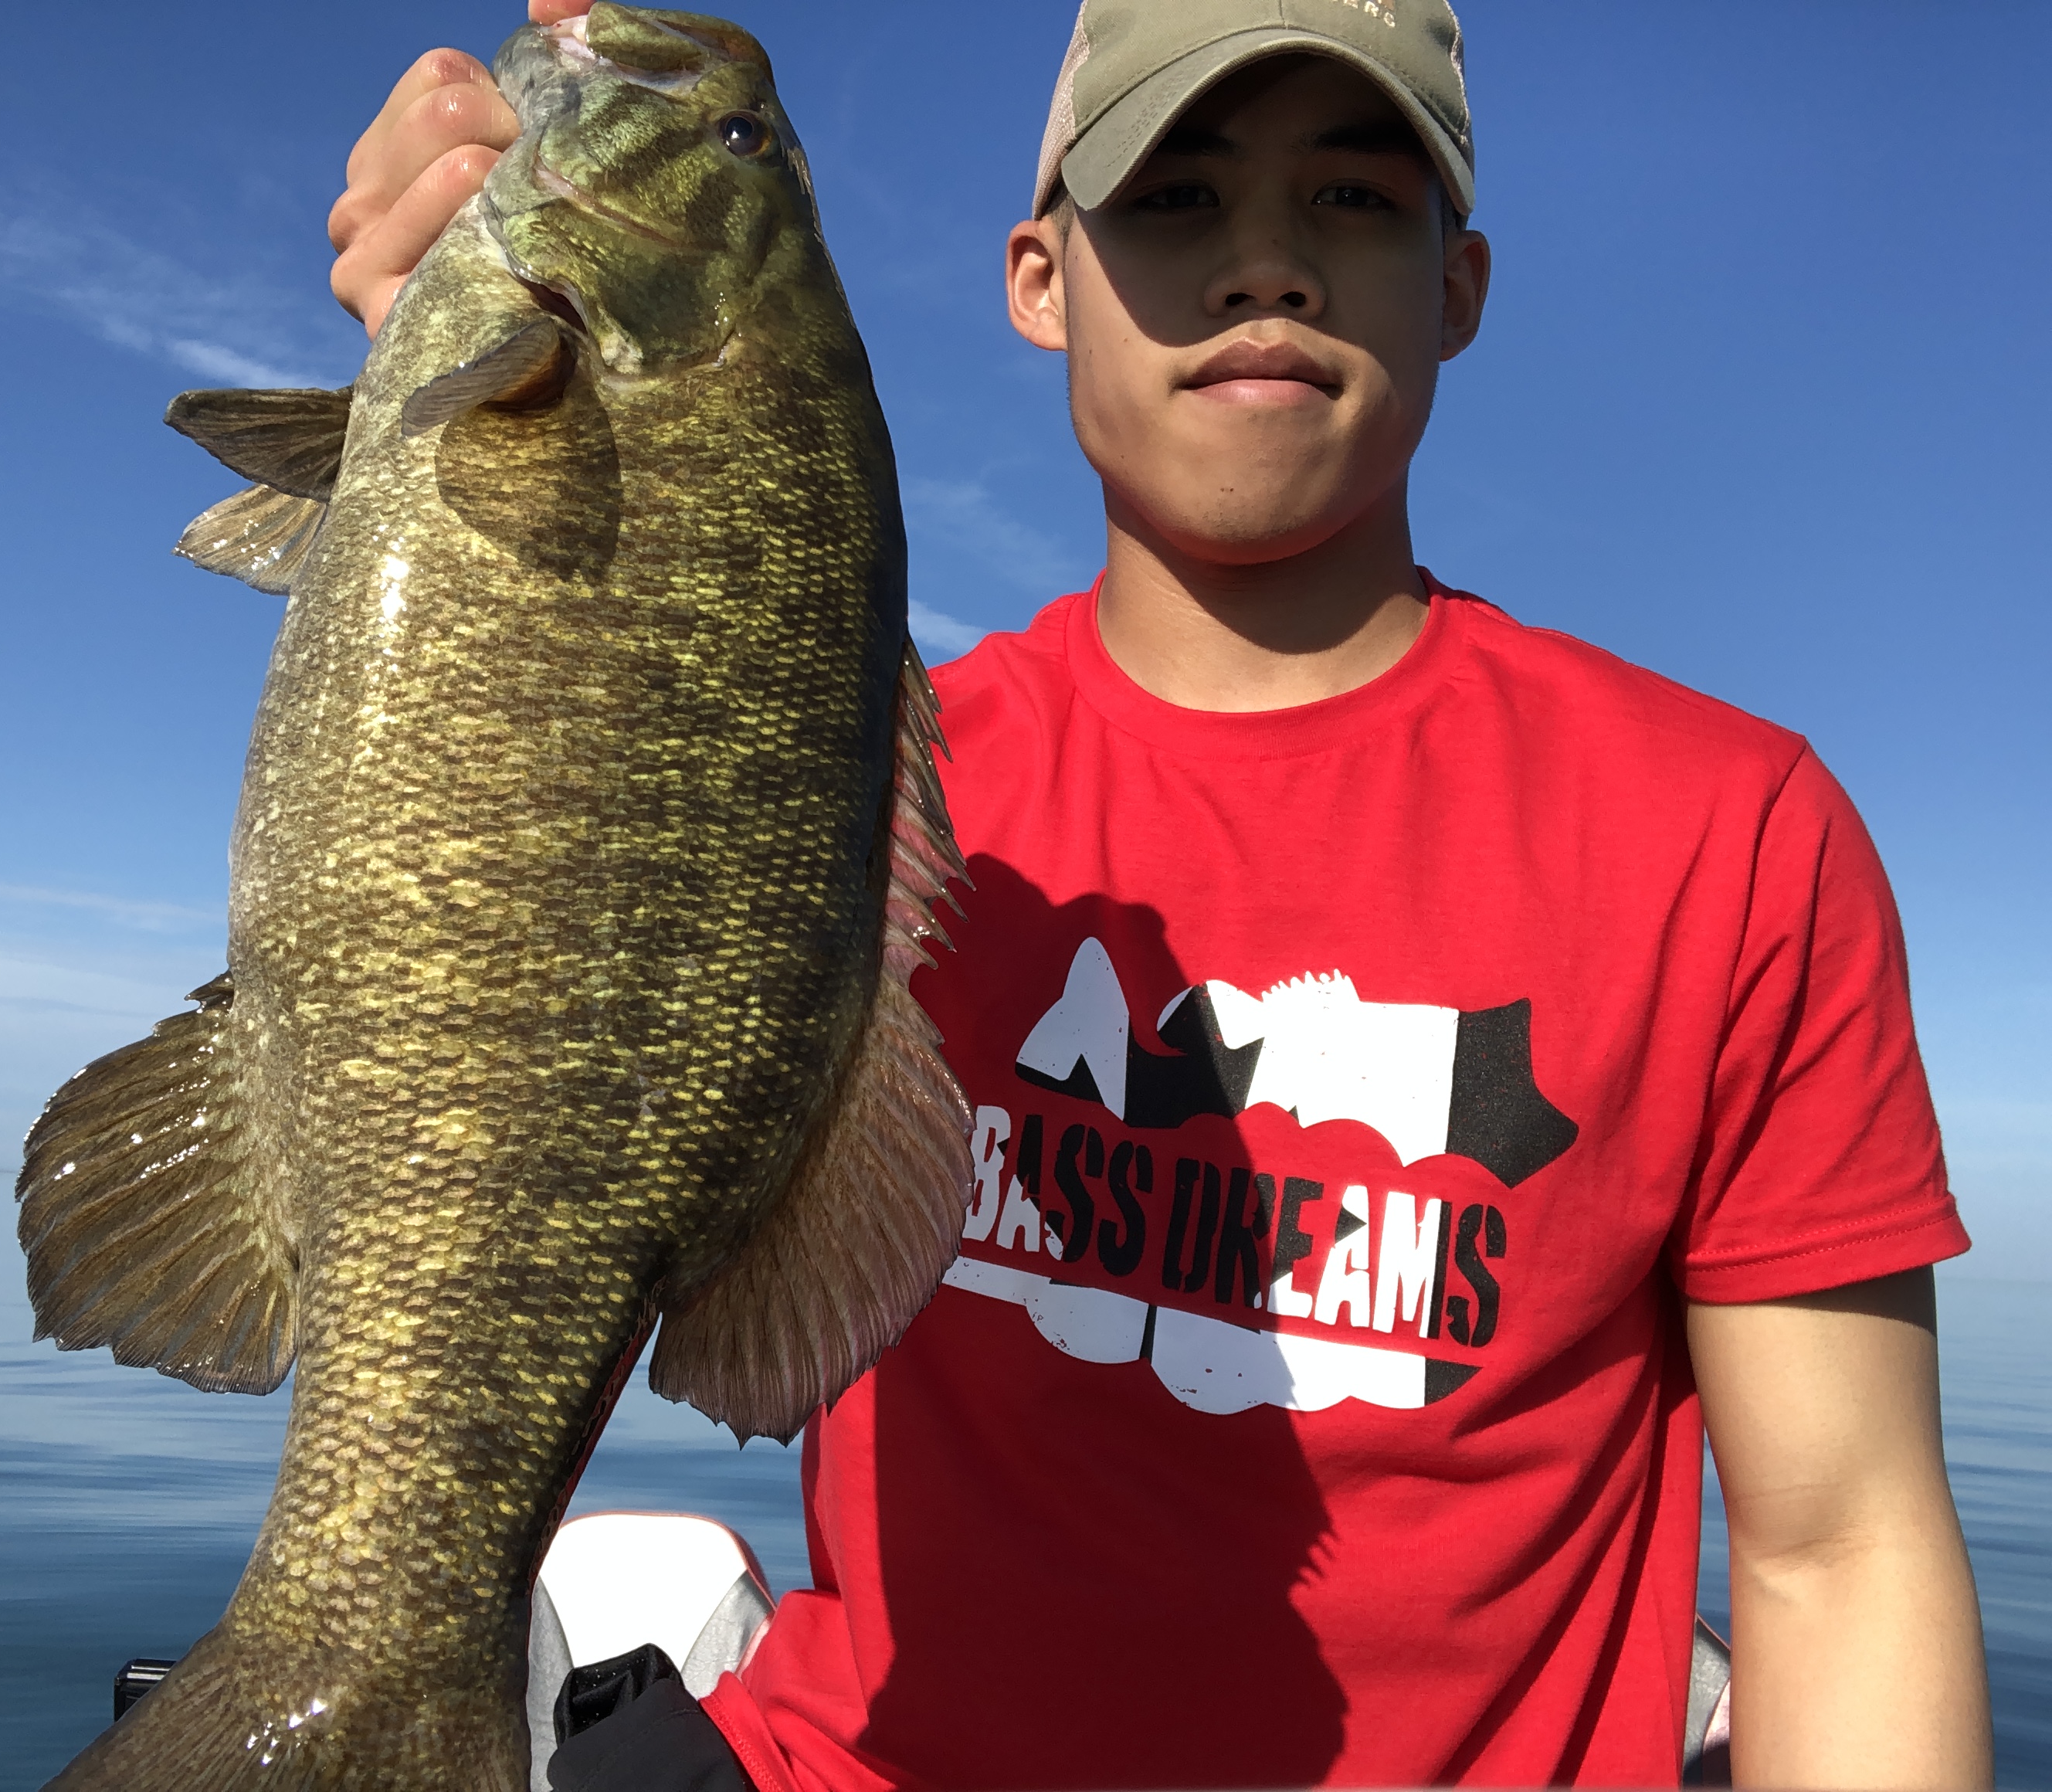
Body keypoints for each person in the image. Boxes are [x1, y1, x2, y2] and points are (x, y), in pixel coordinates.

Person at [327, 2, 1993, 1786]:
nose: (1263, 260)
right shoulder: (851, 801)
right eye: (1176, 194)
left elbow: (1836, 1548)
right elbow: (498, 1044)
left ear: (1458, 286)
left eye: (1352, 197)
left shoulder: (1728, 832)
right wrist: (465, 381)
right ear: (1040, 279)